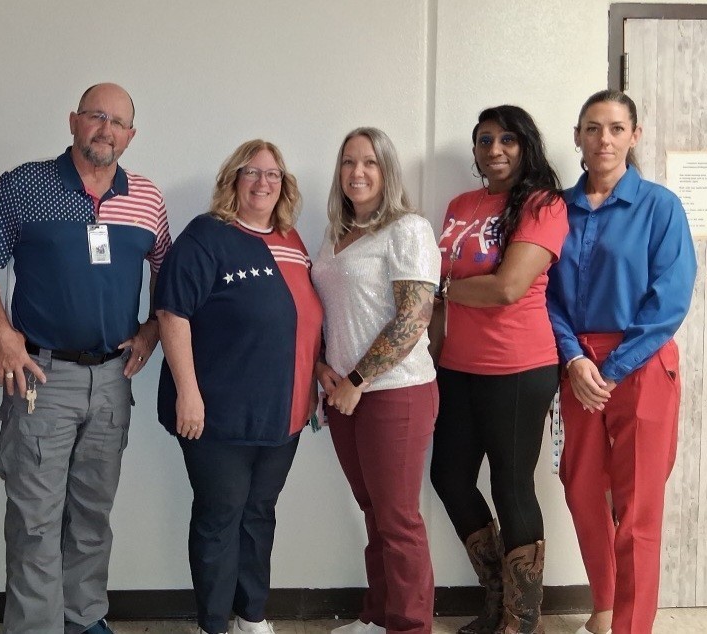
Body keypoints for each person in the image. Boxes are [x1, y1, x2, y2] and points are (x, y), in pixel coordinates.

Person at [0, 82, 171, 634]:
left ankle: (84, 619)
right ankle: (35, 627)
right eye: (95, 116)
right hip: (40, 377)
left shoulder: (147, 198)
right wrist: (1, 334)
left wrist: (151, 329)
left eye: (118, 121)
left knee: (92, 516)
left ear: (131, 136)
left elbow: (167, 273)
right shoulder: (24, 185)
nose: (106, 129)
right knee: (34, 521)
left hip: (111, 379)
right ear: (73, 121)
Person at [155, 140, 322, 634]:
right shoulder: (207, 236)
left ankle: (252, 615)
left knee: (259, 515)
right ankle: (212, 623)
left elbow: (306, 319)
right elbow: (172, 313)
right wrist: (188, 392)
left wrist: (316, 378)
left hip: (284, 415)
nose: (263, 182)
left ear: (285, 185)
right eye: (252, 172)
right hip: (218, 417)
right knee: (219, 517)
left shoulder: (292, 240)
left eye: (274, 174)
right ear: (233, 180)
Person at [547, 89, 696, 634]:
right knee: (582, 487)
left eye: (614, 128)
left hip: (643, 363)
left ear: (634, 136)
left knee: (637, 507)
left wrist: (611, 369)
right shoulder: (556, 209)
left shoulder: (660, 206)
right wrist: (572, 360)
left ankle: (631, 627)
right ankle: (604, 606)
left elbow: (670, 300)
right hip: (577, 363)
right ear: (579, 137)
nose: (603, 139)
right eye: (592, 128)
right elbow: (547, 295)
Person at [429, 105, 568, 634]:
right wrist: (434, 355)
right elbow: (448, 300)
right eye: (485, 140)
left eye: (507, 139)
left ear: (525, 144)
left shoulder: (543, 204)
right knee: (449, 476)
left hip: (518, 366)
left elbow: (509, 287)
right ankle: (496, 597)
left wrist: (443, 290)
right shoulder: (461, 204)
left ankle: (520, 619)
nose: (495, 149)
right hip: (457, 366)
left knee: (511, 486)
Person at [311, 127, 439, 634]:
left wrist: (358, 377)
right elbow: (333, 311)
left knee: (399, 520)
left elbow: (413, 317)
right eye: (347, 162)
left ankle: (410, 627)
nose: (357, 172)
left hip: (395, 391)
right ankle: (379, 617)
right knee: (374, 511)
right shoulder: (334, 233)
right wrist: (326, 367)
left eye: (369, 163)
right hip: (344, 391)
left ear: (387, 171)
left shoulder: (408, 228)